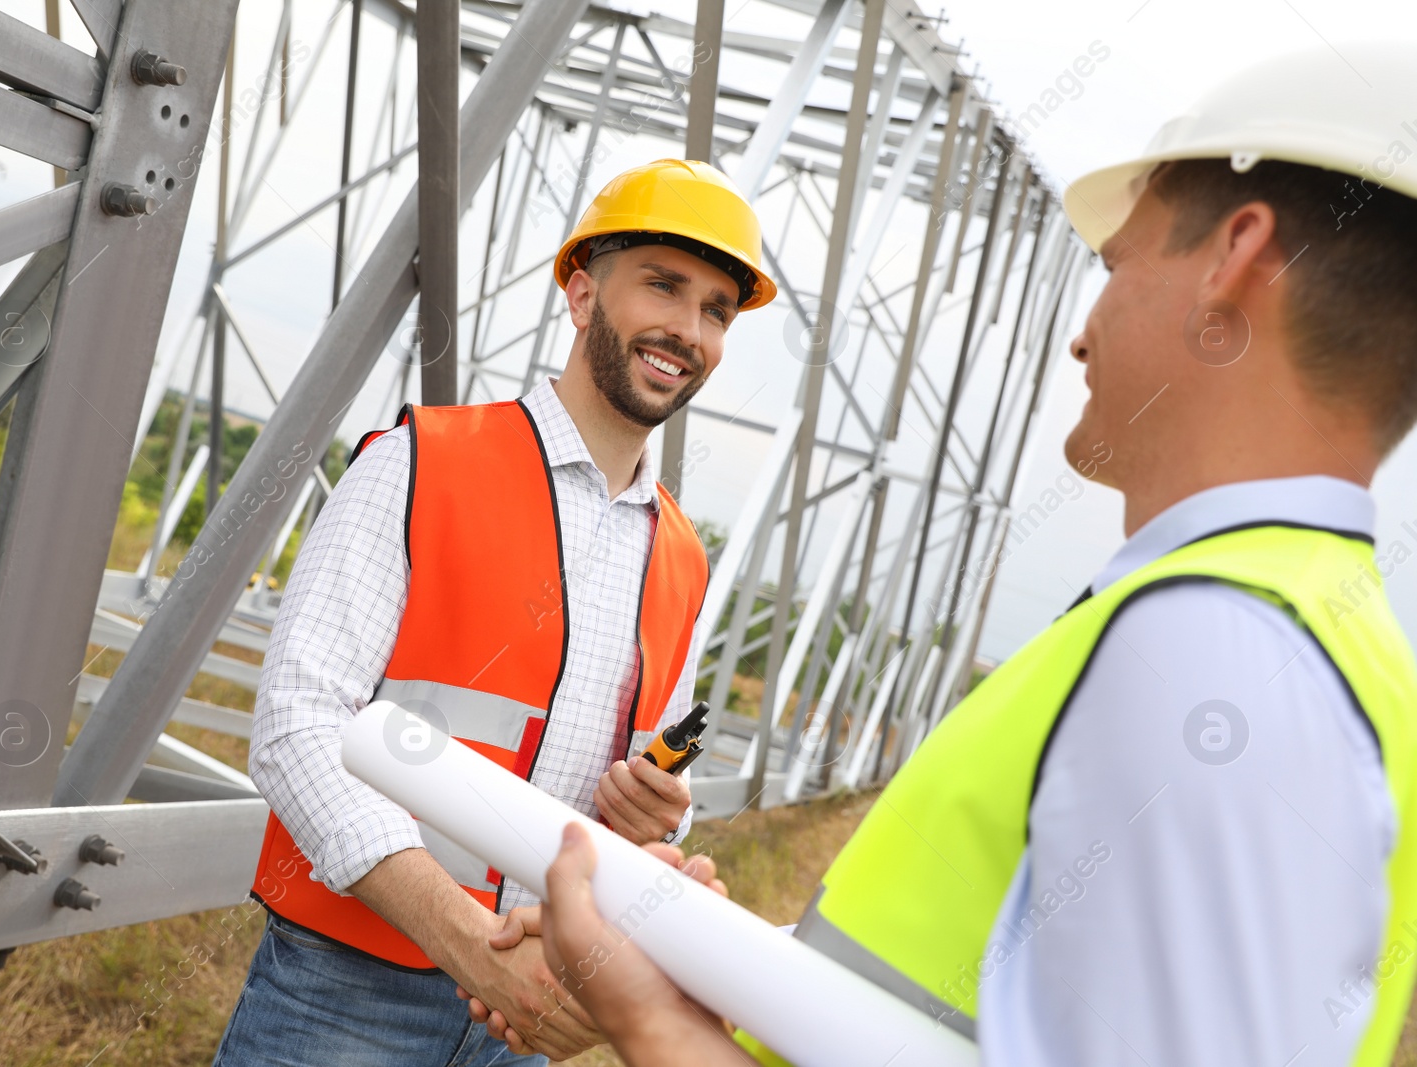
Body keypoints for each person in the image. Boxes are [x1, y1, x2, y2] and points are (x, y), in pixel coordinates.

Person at [483, 41, 1417, 1067]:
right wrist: (678, 951)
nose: (1081, 335)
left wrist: (653, 1024)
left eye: (1114, 267)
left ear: (1233, 259)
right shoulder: (1293, 628)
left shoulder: (1216, 653)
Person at [211, 158, 777, 1066]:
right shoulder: (418, 462)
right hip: (349, 994)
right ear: (584, 294)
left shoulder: (681, 556)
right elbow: (296, 726)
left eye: (716, 308)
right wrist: (464, 941)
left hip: (528, 1015)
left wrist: (650, 815)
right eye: (663, 286)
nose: (688, 328)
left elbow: (625, 789)